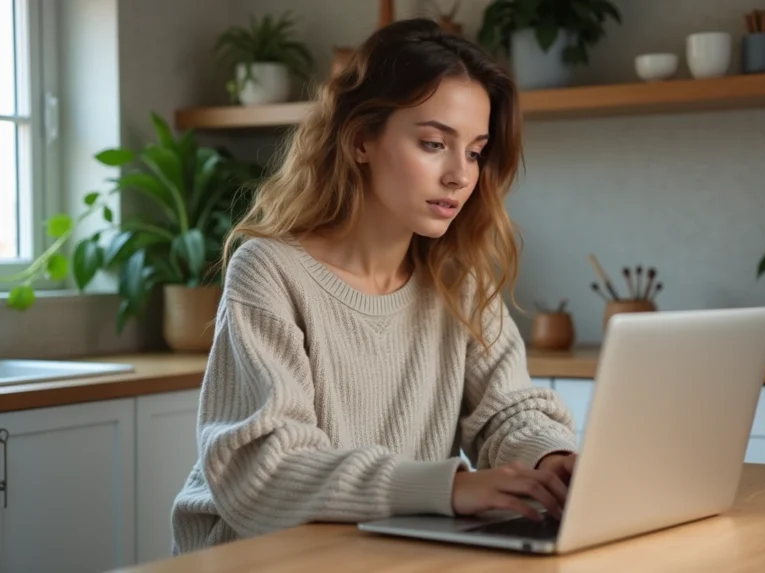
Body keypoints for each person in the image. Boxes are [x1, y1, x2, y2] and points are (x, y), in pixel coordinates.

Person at [170, 17, 579, 555]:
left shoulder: (458, 280)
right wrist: (447, 489)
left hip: (386, 552)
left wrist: (552, 461)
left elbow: (509, 412)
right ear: (361, 139)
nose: (460, 175)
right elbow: (267, 468)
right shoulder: (269, 271)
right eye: (433, 143)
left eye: (475, 151)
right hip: (256, 556)